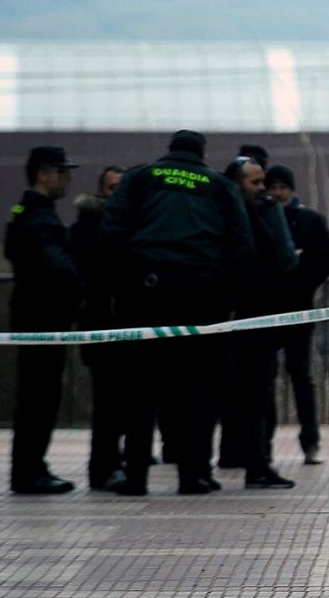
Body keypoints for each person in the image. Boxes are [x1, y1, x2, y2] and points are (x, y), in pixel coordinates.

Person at [101, 130, 253, 495]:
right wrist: (226, 301)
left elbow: (111, 231)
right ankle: (194, 474)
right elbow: (243, 246)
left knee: (142, 391)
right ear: (202, 154)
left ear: (169, 151)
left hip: (146, 296)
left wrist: (122, 289)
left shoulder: (141, 177)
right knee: (197, 391)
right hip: (201, 300)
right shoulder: (218, 185)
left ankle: (136, 476)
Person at [4, 146, 84, 494]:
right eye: (62, 171)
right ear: (43, 174)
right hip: (42, 319)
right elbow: (57, 267)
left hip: (33, 315)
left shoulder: (24, 211)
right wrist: (81, 290)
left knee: (36, 397)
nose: (67, 178)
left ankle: (31, 467)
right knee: (40, 397)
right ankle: (29, 472)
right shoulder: (37, 216)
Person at [223, 156, 298, 489]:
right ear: (237, 184)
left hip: (258, 320)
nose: (263, 189)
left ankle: (256, 462)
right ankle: (247, 462)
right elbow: (284, 257)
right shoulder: (254, 216)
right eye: (255, 182)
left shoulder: (255, 212)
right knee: (245, 397)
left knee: (257, 397)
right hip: (241, 320)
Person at [266, 165, 329, 465]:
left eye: (283, 187)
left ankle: (310, 440)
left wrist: (300, 280)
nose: (278, 193)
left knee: (301, 377)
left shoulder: (310, 222)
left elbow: (327, 261)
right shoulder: (262, 219)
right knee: (265, 379)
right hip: (266, 313)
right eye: (274, 187)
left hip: (297, 311)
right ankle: (263, 444)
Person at [71, 165, 128, 490]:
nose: (117, 194)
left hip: (119, 328)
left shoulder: (120, 226)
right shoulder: (91, 229)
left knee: (118, 405)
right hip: (101, 329)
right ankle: (105, 467)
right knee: (108, 404)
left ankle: (110, 465)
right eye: (112, 188)